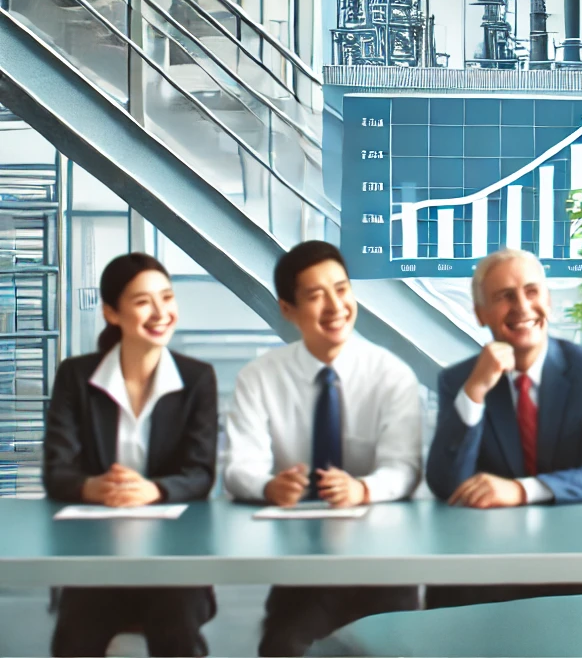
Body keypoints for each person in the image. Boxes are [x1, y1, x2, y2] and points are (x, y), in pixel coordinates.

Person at [223, 241, 423, 656]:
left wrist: (363, 489)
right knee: (283, 647)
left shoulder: (391, 374)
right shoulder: (259, 377)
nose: (335, 306)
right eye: (316, 296)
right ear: (287, 309)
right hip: (302, 565)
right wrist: (267, 487)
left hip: (383, 564)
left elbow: (404, 468)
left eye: (342, 289)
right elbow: (239, 467)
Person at [423, 248, 582, 608]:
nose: (522, 306)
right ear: (480, 313)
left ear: (547, 300)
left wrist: (519, 491)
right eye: (504, 296)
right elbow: (445, 485)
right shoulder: (458, 380)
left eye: (532, 291)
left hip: (578, 557)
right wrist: (475, 391)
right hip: (488, 562)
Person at [42, 253, 218, 657]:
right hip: (94, 558)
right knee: (74, 641)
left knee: (178, 637)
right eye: (143, 302)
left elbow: (200, 473)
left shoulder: (196, 378)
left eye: (167, 297)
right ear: (111, 313)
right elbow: (56, 471)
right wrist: (92, 487)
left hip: (173, 559)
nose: (161, 312)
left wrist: (151, 491)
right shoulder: (76, 376)